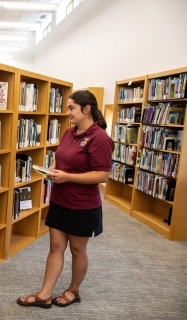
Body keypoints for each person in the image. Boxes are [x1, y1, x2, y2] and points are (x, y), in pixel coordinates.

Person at [17, 90, 114, 308]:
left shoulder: (100, 139)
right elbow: (65, 160)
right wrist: (54, 170)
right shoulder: (69, 133)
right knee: (55, 247)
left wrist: (67, 177)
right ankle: (44, 294)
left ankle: (73, 290)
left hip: (83, 205)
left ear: (86, 109)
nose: (67, 112)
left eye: (71, 108)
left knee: (77, 250)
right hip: (60, 200)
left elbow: (102, 175)